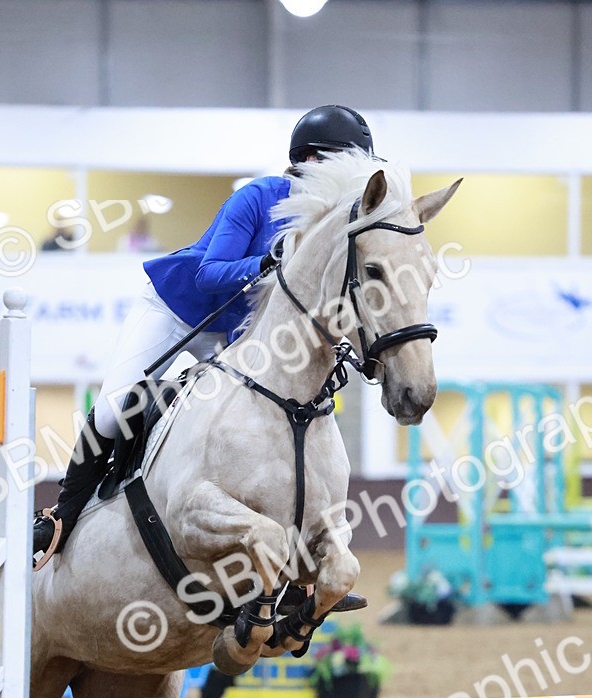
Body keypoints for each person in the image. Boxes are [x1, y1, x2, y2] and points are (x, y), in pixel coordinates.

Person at [32, 105, 376, 566]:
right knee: (115, 408)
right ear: (311, 161)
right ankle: (63, 515)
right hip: (178, 307)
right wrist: (266, 262)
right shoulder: (256, 197)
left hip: (236, 329)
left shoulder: (333, 225)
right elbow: (210, 274)